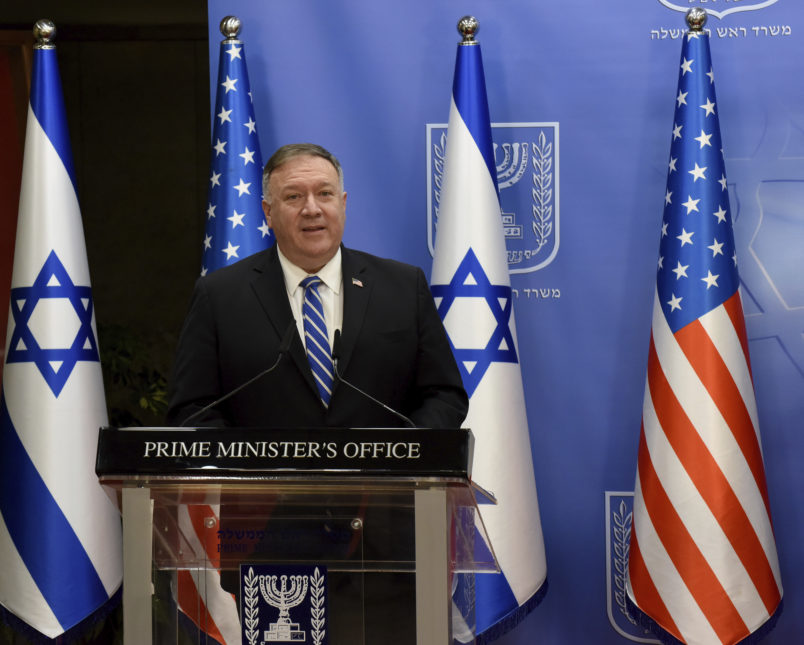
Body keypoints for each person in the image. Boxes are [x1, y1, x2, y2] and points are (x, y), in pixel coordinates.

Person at [166, 142, 468, 428]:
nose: (312, 209)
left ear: (343, 203)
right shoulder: (220, 295)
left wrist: (401, 456)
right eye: (294, 197)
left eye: (325, 194)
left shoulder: (402, 287)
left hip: (382, 481)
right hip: (265, 481)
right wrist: (244, 470)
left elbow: (444, 395)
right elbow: (192, 410)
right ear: (268, 213)